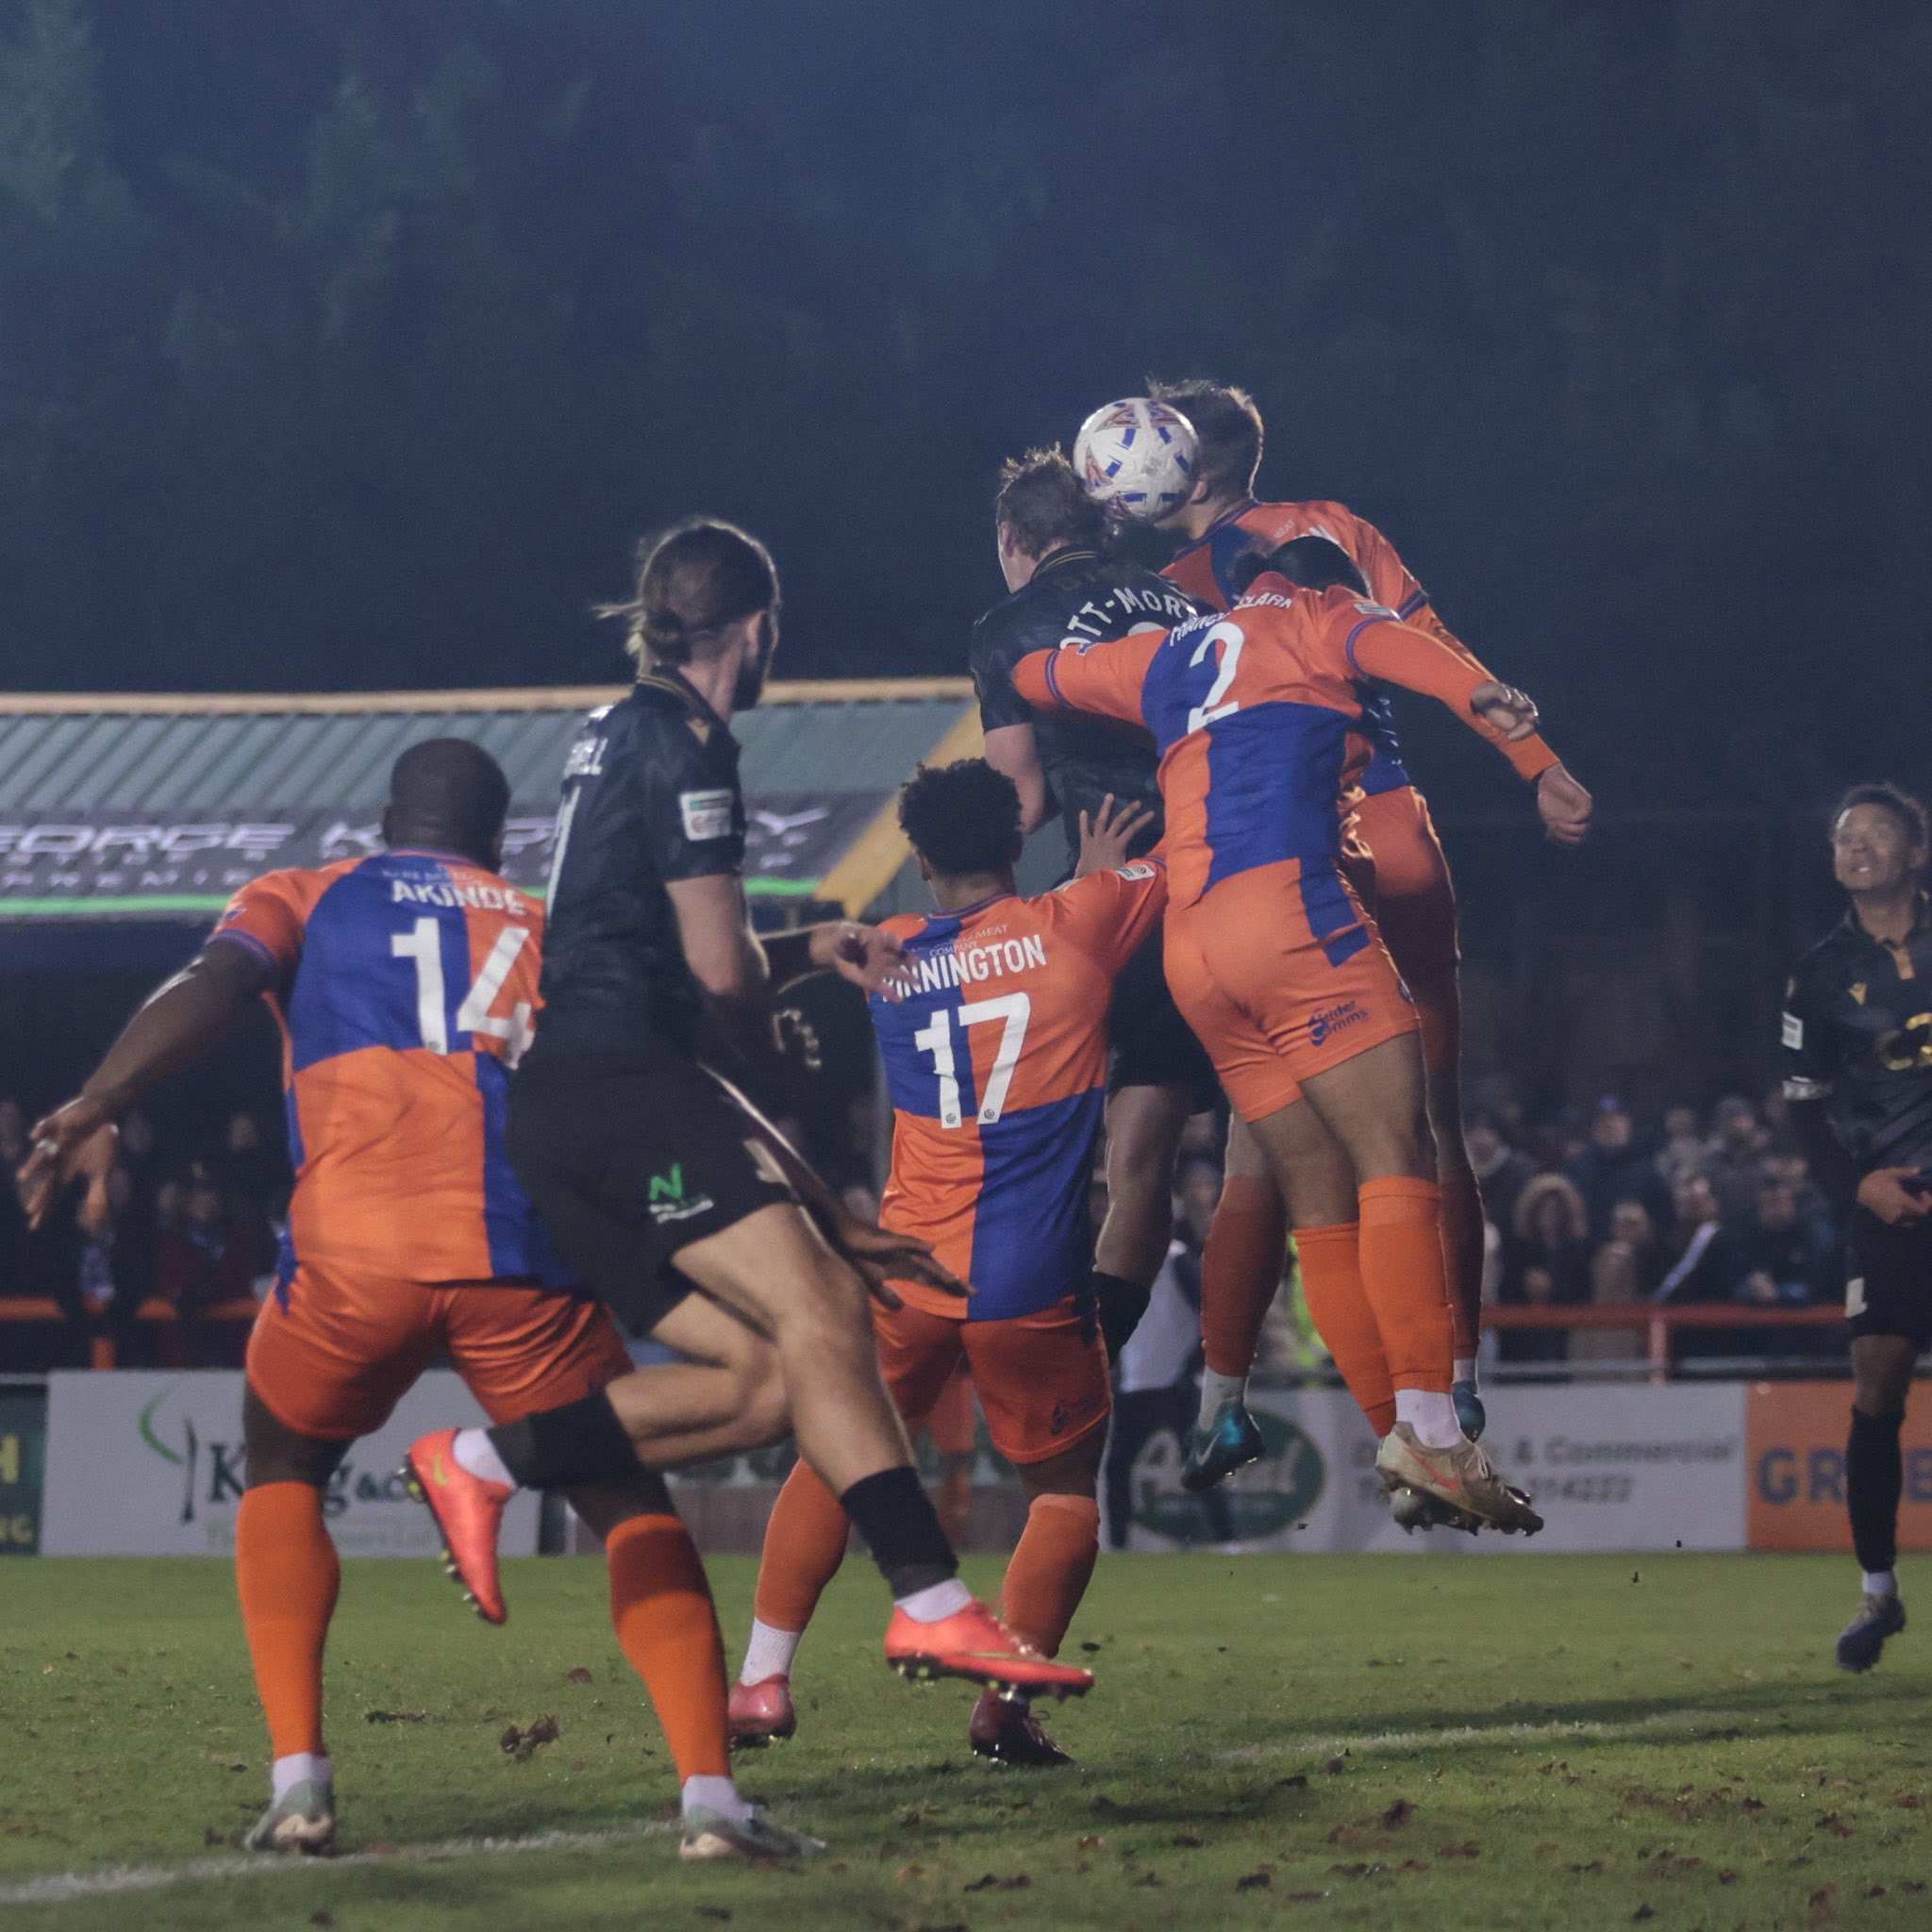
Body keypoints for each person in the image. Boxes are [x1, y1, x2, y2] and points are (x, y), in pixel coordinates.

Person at [18, 741, 798, 1861]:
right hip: (523, 1263)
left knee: (283, 1462)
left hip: (353, 1263)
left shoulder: (306, 893)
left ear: (386, 823)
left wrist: (102, 1096)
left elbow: (212, 983)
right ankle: (710, 1799)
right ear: (498, 840)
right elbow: (669, 1054)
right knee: (630, 1502)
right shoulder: (549, 925)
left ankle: (299, 1782)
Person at [406, 519, 1092, 1710]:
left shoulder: (616, 726)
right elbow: (718, 976)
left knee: (772, 1382)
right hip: (623, 1091)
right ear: (756, 627)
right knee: (824, 1306)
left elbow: (670, 954)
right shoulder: (687, 745)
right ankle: (930, 1601)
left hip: (577, 1098)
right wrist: (777, 1053)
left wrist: (809, 949)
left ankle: (479, 1460)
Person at [1011, 533, 1550, 1532]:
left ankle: (1401, 1441)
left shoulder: (1172, 652)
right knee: (1398, 1151)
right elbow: (1399, 649)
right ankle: (1434, 1432)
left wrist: (1065, 626)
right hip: (1288, 911)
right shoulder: (1319, 613)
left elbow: (1040, 672)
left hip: (1193, 946)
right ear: (1326, 585)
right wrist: (1482, 697)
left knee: (1317, 1199)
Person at [1149, 377, 1593, 1464]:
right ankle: (1456, 1382)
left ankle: (1222, 1395)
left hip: (1271, 857)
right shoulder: (1334, 529)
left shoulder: (1168, 592)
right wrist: (1534, 762)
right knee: (1426, 1121)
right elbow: (1426, 639)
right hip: (1391, 829)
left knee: (1264, 1149)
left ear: (1181, 469)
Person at [730, 765, 1162, 1768]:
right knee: (1063, 1491)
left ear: (920, 860)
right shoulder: (1084, 916)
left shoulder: (889, 952)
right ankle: (1003, 1710)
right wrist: (1098, 873)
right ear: (1016, 841)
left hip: (908, 1270)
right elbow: (1196, 856)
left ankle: (760, 1679)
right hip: (1029, 1281)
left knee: (835, 1459)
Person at [969, 449, 1216, 1375]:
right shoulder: (1187, 607)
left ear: (1012, 538)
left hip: (1115, 899)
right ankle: (1100, 1354)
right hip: (1224, 883)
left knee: (1037, 1128)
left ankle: (1031, 1341)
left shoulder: (1010, 626)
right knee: (1151, 1152)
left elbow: (1020, 801)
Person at [1780, 783, 1932, 1671]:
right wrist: (1859, 1186)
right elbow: (1802, 1108)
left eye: (1877, 833)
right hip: (1890, 1208)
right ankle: (1879, 1593)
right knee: (1877, 1390)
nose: (1858, 846)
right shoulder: (1819, 974)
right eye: (1845, 837)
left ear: (1917, 853)